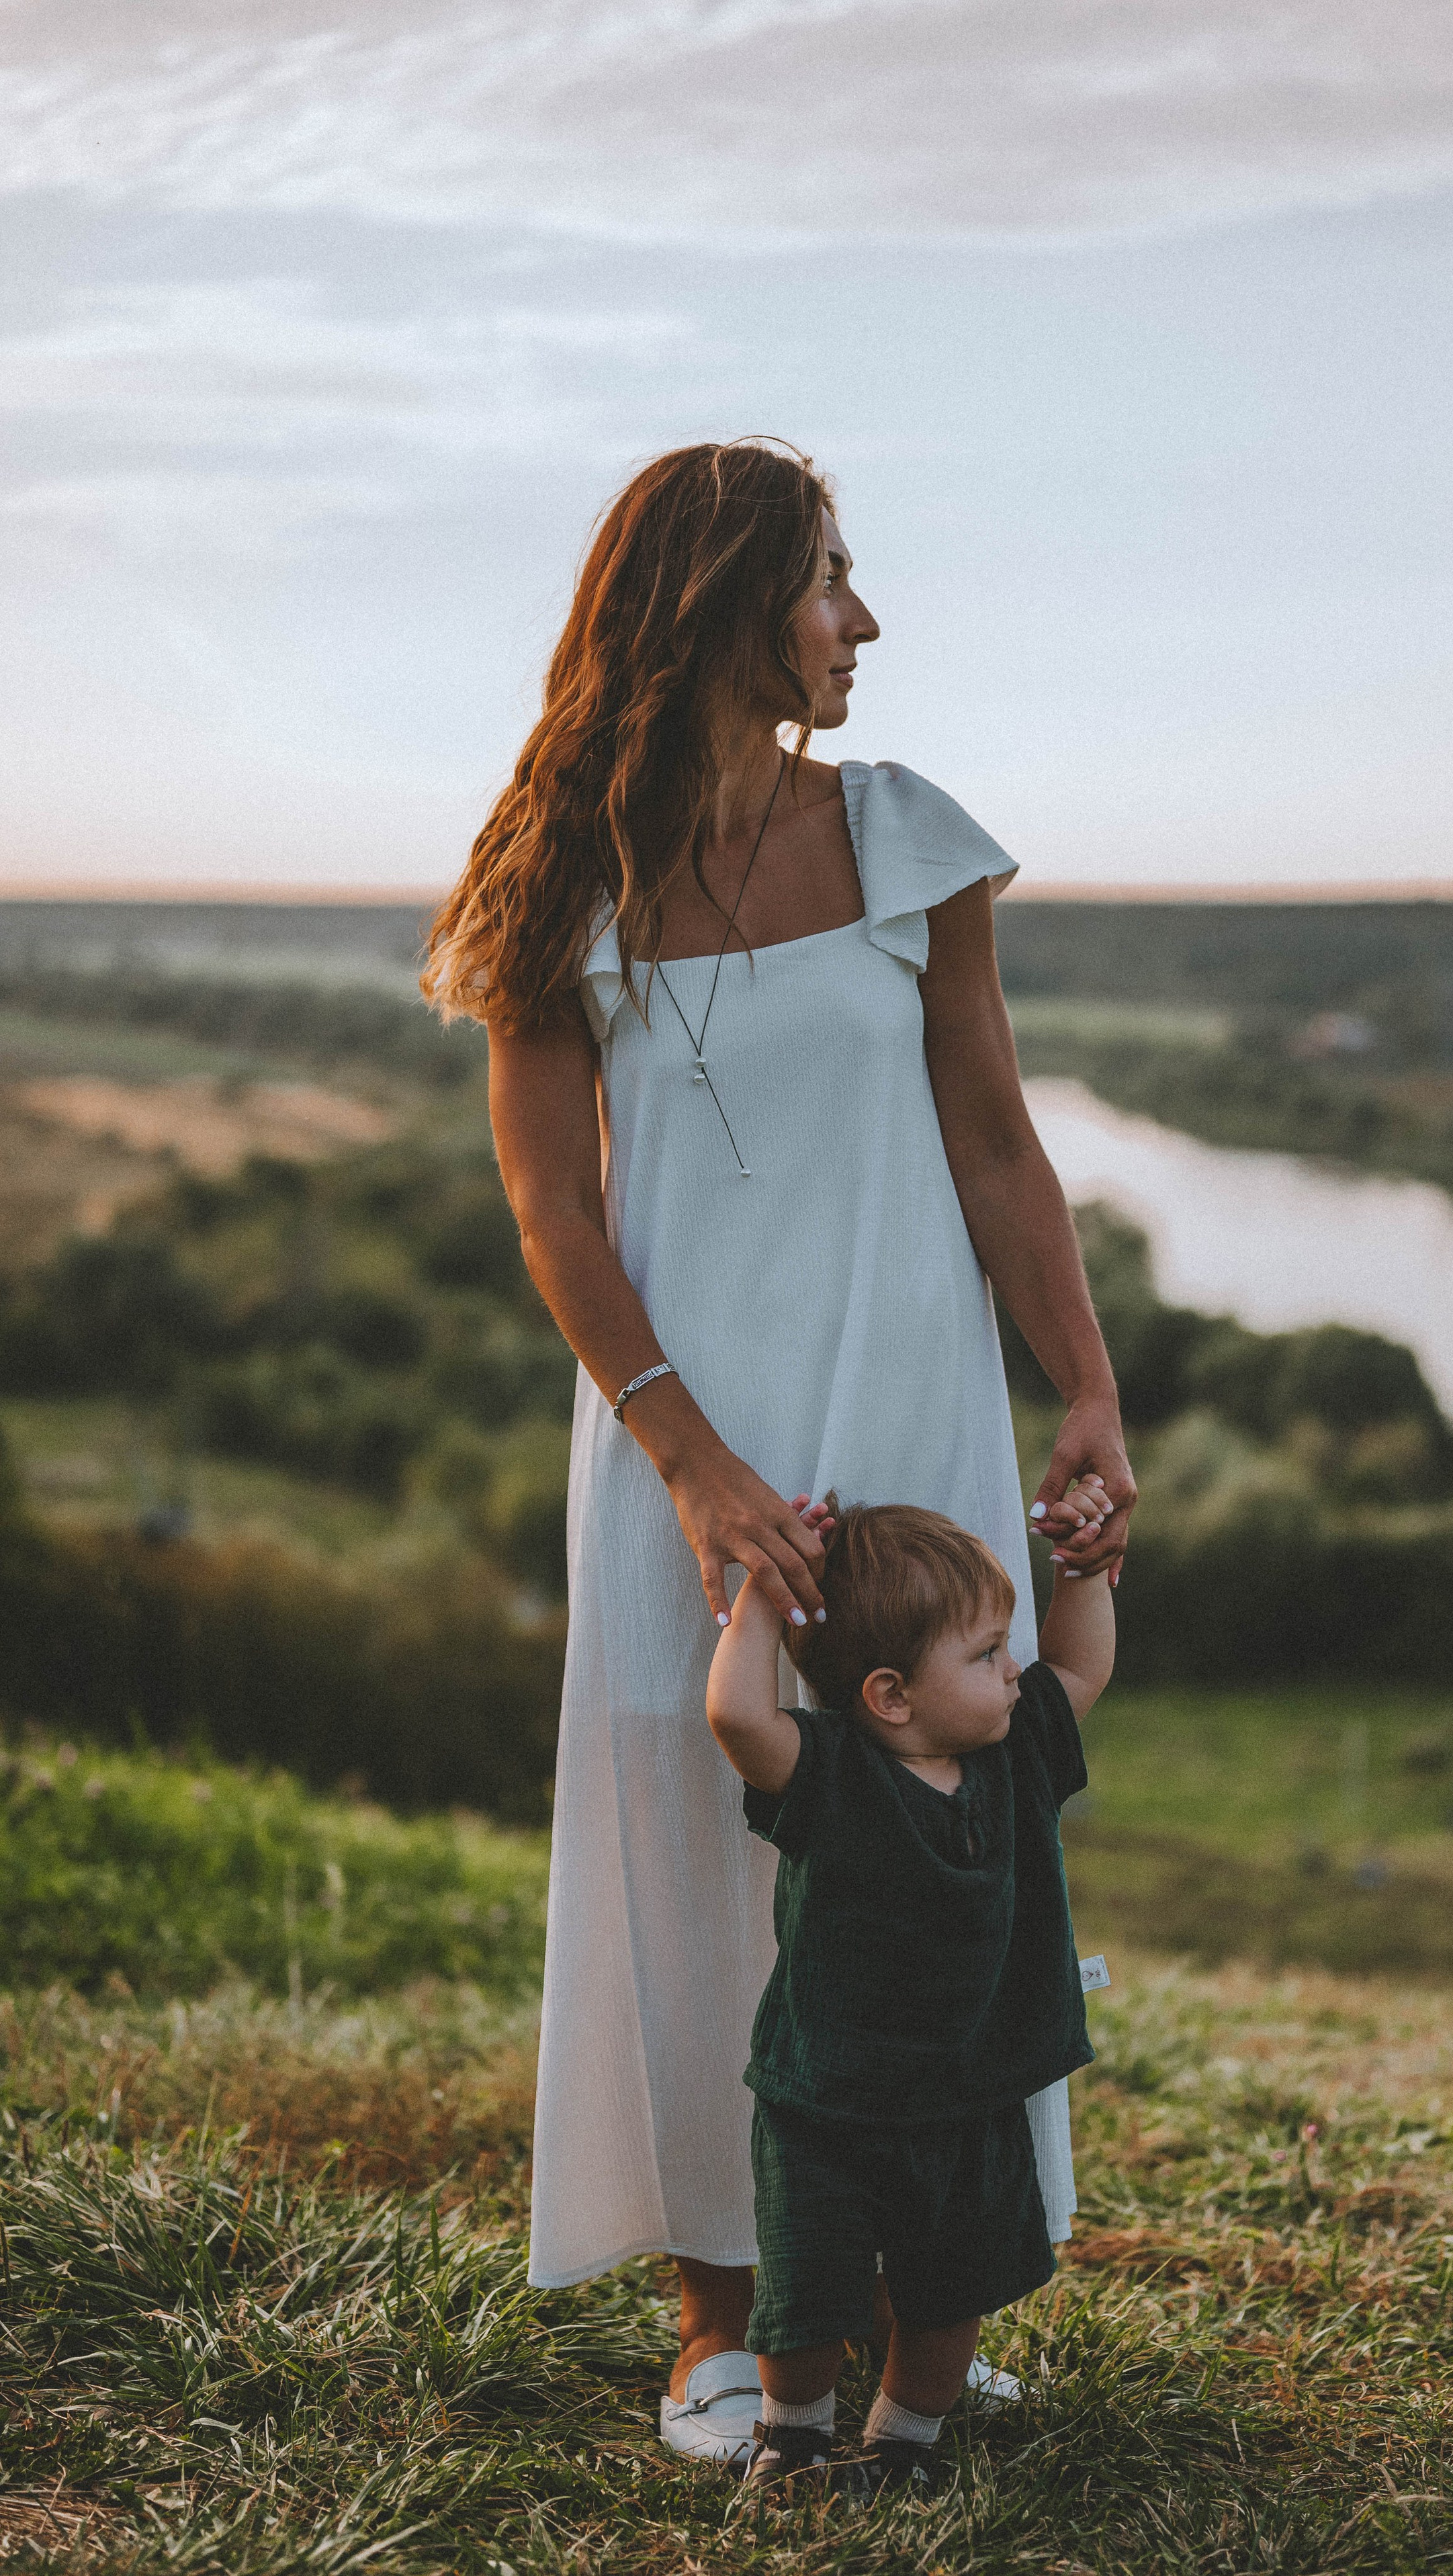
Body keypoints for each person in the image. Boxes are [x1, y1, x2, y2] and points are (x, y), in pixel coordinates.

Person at [423, 437, 1135, 2458]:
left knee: (939, 1834)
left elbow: (997, 1142)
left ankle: (923, 2313)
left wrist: (1080, 1385)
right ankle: (721, 2326)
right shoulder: (559, 871)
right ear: (728, 600)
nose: (865, 620)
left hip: (914, 1395)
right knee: (686, 1821)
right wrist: (691, 1463)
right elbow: (557, 1213)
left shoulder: (910, 838)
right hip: (684, 1438)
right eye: (832, 579)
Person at [705, 1489, 1116, 2494]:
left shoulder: (1016, 1752)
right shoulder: (830, 1770)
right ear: (890, 1694)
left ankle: (902, 2445)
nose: (1012, 1666)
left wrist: (1084, 1572)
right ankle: (792, 2436)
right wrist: (767, 1592)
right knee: (806, 2296)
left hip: (971, 2096)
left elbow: (1083, 1665)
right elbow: (735, 1712)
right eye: (984, 1655)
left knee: (950, 2297)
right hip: (826, 2104)